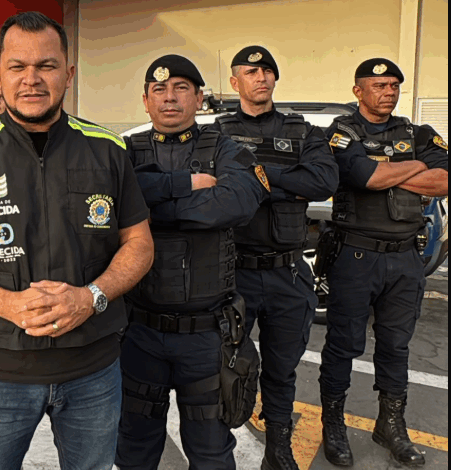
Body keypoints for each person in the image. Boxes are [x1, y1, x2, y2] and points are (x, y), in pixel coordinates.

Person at [0, 12, 154, 470]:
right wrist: (6, 304)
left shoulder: (108, 149)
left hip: (92, 370)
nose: (32, 79)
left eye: (46, 65)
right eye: (18, 66)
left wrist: (91, 297)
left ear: (69, 73)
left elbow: (139, 243)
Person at [115, 54, 269, 470]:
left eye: (181, 88)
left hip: (207, 335)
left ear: (200, 98)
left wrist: (146, 208)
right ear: (145, 100)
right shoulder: (123, 152)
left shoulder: (227, 149)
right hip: (139, 332)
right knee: (133, 452)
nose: (169, 98)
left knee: (211, 453)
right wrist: (185, 186)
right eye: (159, 90)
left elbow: (235, 203)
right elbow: (106, 202)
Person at [209, 46, 339, 470]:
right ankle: (217, 450)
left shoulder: (302, 131)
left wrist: (255, 176)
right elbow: (209, 184)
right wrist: (287, 182)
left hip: (287, 274)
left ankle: (277, 448)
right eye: (251, 72)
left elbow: (323, 181)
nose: (261, 77)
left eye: (267, 70)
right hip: (232, 274)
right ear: (235, 82)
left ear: (275, 79)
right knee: (226, 365)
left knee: (282, 370)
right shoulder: (216, 132)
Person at [319, 58, 448, 467]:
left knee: (396, 346)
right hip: (355, 257)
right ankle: (333, 424)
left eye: (393, 85)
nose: (388, 92)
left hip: (406, 259)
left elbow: (445, 180)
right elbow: (364, 178)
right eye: (379, 85)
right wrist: (416, 167)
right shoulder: (342, 132)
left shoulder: (417, 133)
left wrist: (388, 170)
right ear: (358, 91)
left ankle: (391, 425)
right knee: (343, 345)